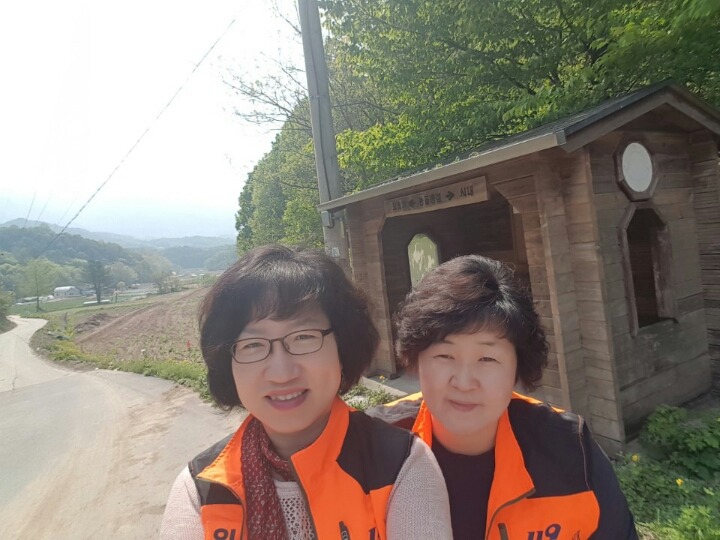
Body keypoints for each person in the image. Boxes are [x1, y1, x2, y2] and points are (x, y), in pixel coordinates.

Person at [160, 245, 452, 540]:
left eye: (303, 337)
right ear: (228, 363)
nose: (282, 373)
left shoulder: (401, 465)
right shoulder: (201, 490)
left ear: (342, 347)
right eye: (253, 345)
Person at [368, 255, 638, 540]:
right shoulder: (371, 445)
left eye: (487, 358)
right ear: (416, 357)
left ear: (517, 366)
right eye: (445, 355)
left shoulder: (570, 449)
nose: (464, 382)